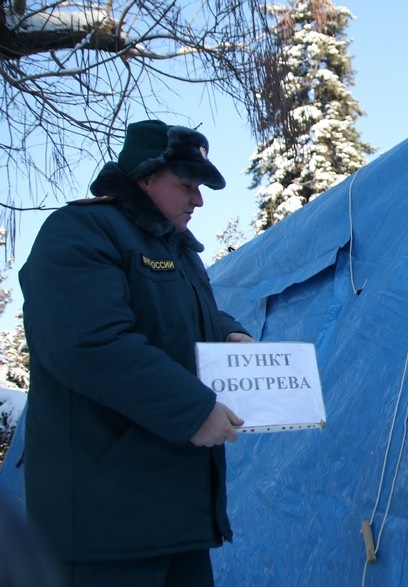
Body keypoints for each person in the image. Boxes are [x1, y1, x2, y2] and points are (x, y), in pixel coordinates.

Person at [19, 119, 255, 587]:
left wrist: (228, 332)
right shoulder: (81, 231)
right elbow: (88, 342)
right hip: (104, 524)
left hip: (176, 515)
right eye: (187, 185)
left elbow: (175, 319)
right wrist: (192, 411)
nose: (199, 200)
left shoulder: (179, 251)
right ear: (145, 176)